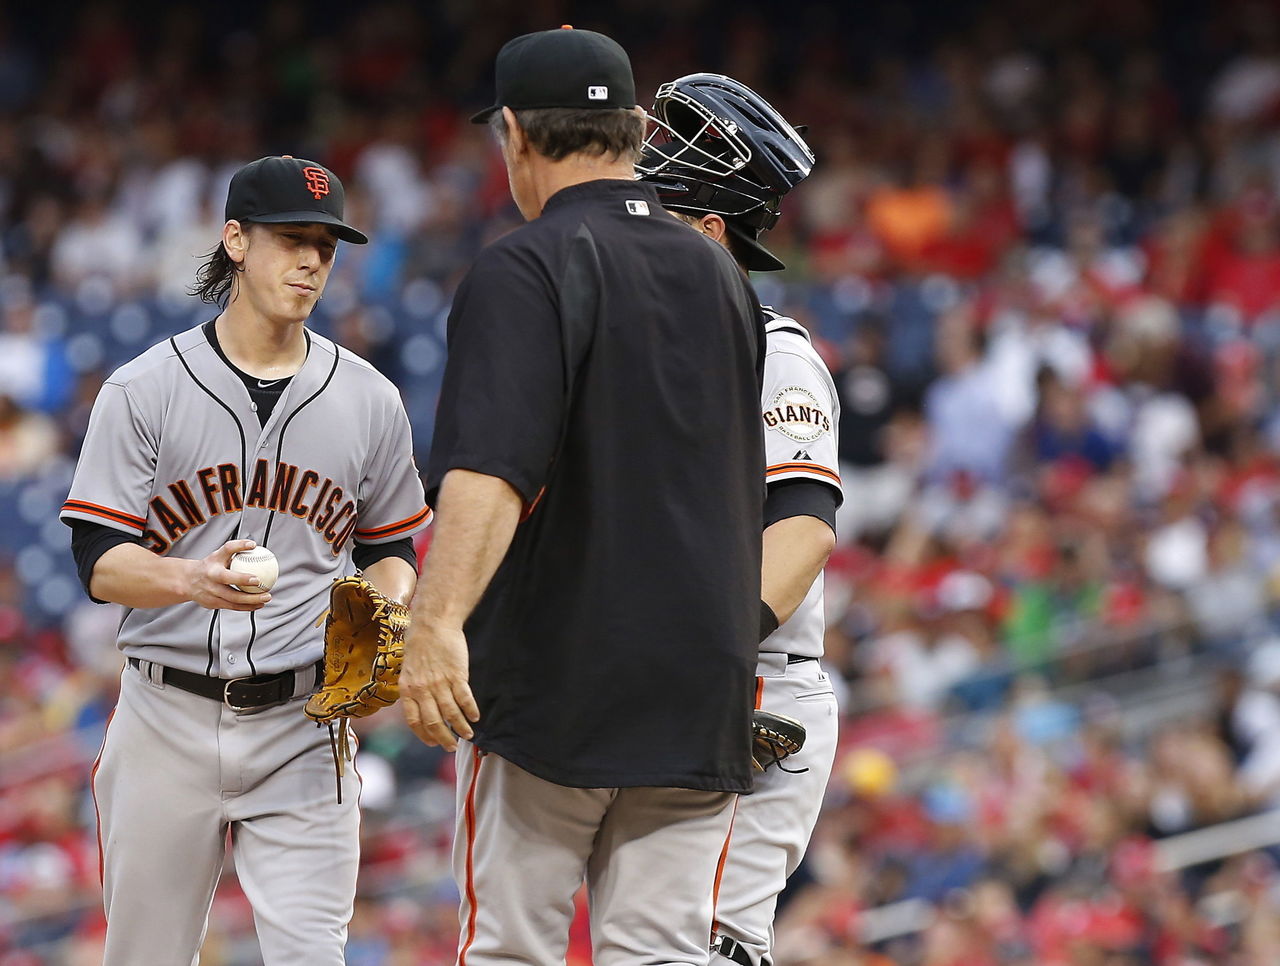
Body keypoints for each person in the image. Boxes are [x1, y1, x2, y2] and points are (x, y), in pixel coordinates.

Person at [398, 27, 767, 966]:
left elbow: (490, 471)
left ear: (515, 135)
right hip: (698, 684)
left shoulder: (524, 265)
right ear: (639, 129)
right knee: (661, 952)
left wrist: (436, 623)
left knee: (513, 949)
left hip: (557, 685)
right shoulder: (720, 273)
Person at [59, 155, 430, 965]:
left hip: (303, 722)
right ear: (234, 239)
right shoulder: (143, 388)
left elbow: (392, 545)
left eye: (326, 248)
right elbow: (98, 560)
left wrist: (382, 622)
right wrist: (190, 579)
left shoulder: (369, 397)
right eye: (291, 239)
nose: (310, 262)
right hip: (166, 717)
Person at [639, 74, 842, 966]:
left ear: (708, 231)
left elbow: (800, 533)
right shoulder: (638, 356)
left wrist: (703, 668)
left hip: (754, 685)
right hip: (677, 686)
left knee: (701, 948)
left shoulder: (775, 355)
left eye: (657, 212)